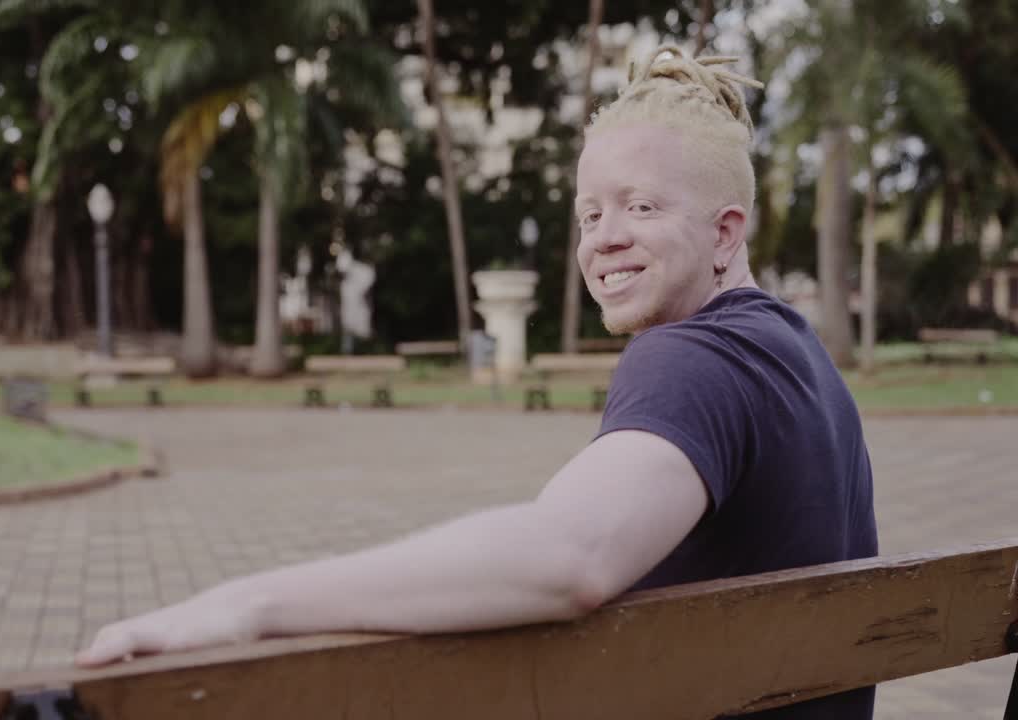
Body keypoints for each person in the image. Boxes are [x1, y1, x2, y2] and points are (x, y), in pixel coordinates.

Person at [76, 46, 878, 719]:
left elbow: (569, 555)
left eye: (639, 206)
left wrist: (244, 606)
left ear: (724, 231)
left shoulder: (693, 359)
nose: (606, 239)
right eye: (590, 215)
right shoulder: (803, 360)